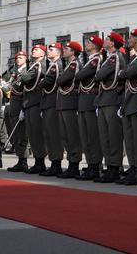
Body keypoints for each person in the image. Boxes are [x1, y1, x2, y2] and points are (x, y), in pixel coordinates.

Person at [117, 29, 137, 185]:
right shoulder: (134, 56)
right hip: (129, 99)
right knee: (129, 138)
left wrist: (124, 72)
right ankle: (133, 166)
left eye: (130, 37)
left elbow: (128, 73)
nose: (128, 40)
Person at [94, 32, 126, 183]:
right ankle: (110, 166)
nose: (104, 42)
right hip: (104, 100)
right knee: (104, 136)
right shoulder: (109, 58)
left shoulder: (115, 58)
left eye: (107, 40)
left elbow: (99, 76)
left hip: (112, 100)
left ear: (113, 43)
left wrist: (100, 73)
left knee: (113, 137)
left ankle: (115, 167)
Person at [75, 35, 104, 180]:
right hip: (83, 101)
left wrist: (79, 75)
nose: (86, 44)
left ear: (96, 46)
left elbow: (80, 76)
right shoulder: (88, 61)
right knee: (85, 137)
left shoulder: (96, 59)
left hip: (91, 100)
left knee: (92, 136)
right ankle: (91, 164)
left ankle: (96, 165)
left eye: (89, 42)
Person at [56, 41, 83, 178]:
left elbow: (60, 81)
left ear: (73, 51)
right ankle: (71, 163)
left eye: (66, 49)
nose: (64, 51)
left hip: (70, 104)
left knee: (72, 136)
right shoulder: (68, 66)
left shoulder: (74, 65)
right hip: (63, 103)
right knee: (66, 136)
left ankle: (74, 165)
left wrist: (60, 78)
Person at [38, 43, 64, 176]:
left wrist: (40, 83)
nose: (48, 51)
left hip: (53, 102)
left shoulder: (57, 65)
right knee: (49, 134)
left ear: (58, 52)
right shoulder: (52, 65)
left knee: (54, 134)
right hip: (48, 102)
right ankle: (53, 162)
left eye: (51, 50)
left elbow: (47, 81)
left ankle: (56, 164)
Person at [21, 45, 47, 174]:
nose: (33, 51)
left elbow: (24, 78)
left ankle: (41, 161)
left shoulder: (40, 65)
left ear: (43, 54)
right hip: (29, 102)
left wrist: (24, 76)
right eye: (33, 50)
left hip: (37, 101)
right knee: (32, 133)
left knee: (37, 133)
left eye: (36, 50)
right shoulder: (33, 65)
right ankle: (37, 160)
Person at [7, 51, 29, 172]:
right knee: (17, 135)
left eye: (21, 57)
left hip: (21, 105)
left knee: (22, 135)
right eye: (17, 58)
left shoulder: (26, 71)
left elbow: (26, 91)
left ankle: (23, 161)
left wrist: (23, 108)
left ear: (25, 59)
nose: (18, 59)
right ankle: (20, 159)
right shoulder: (15, 72)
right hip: (14, 105)